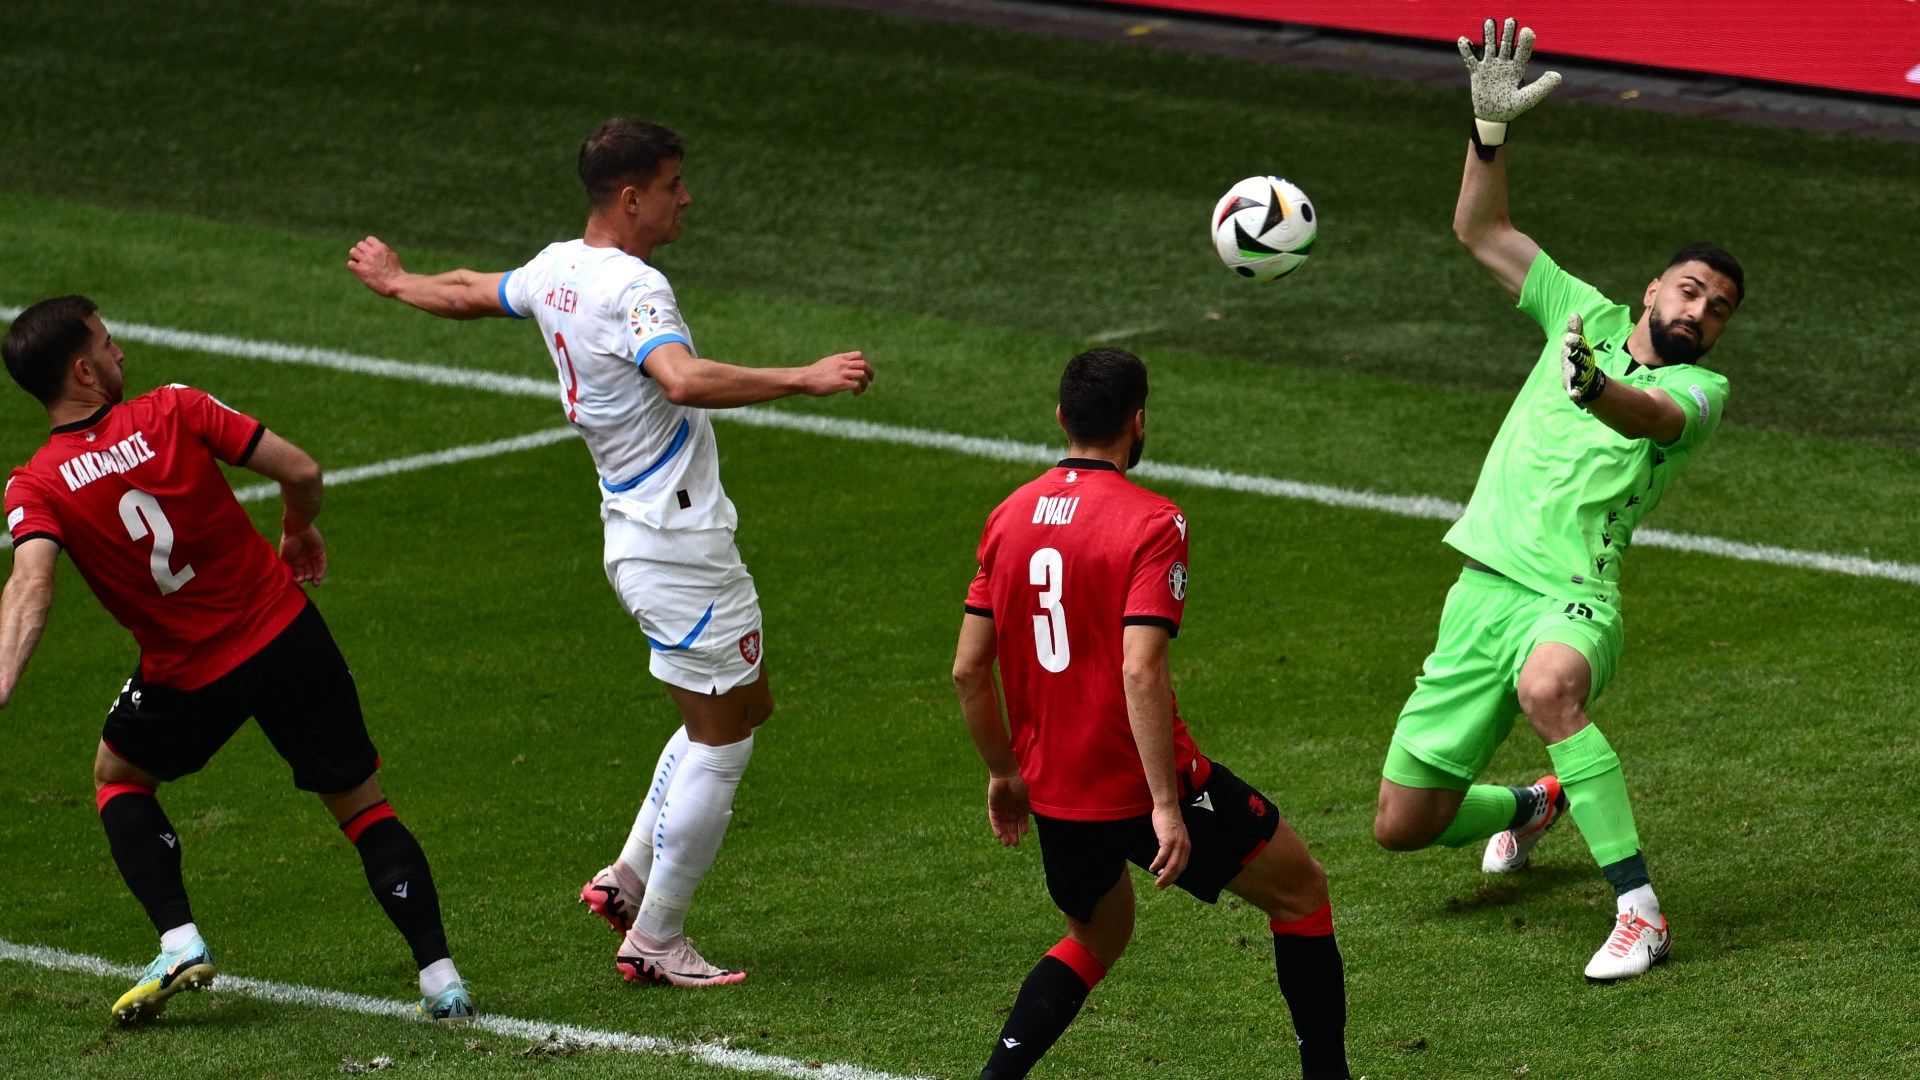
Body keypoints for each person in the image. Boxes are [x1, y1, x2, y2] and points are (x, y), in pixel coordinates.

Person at [347, 117, 873, 987]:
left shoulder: (560, 268)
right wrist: (805, 377)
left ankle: (626, 881)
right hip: (678, 547)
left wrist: (400, 282)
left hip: (643, 535)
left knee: (746, 705)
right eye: (673, 185)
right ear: (632, 198)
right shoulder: (635, 290)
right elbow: (680, 377)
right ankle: (658, 939)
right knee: (723, 742)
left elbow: (477, 289)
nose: (686, 198)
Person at [1371, 18, 1745, 983]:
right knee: (1405, 825)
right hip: (1481, 592)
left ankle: (1640, 911)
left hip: (1571, 597)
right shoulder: (1579, 308)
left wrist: (1595, 391)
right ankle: (1537, 806)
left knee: (1551, 691)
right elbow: (1480, 231)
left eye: (1718, 309)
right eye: (1691, 291)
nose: (1699, 312)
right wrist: (1487, 136)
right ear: (1654, 287)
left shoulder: (1703, 395)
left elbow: (1648, 415)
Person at [0, 296, 471, 1025]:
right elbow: (302, 469)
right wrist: (297, 528)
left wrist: (3, 681)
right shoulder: (176, 408)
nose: (122, 355)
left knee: (119, 777)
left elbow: (31, 583)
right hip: (286, 634)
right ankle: (442, 980)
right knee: (362, 804)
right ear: (83, 370)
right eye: (109, 344)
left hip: (187, 675)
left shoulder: (34, 485)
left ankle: (180, 938)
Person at [953, 348, 1350, 1080]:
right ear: (1137, 423)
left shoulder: (1006, 518)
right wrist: (1167, 804)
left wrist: (1006, 773)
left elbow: (968, 669)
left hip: (1055, 791)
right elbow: (1142, 666)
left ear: (1061, 419)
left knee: (1097, 934)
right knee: (1301, 891)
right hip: (1141, 783)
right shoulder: (1152, 521)